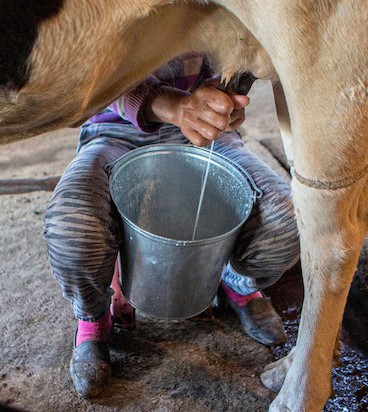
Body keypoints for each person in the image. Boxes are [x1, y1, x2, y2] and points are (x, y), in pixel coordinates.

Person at [44, 52, 300, 398]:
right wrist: (172, 106)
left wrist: (221, 98)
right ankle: (93, 315)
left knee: (287, 219)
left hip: (205, 135)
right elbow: (80, 76)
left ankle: (234, 278)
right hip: (114, 129)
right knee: (71, 229)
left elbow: (238, 49)